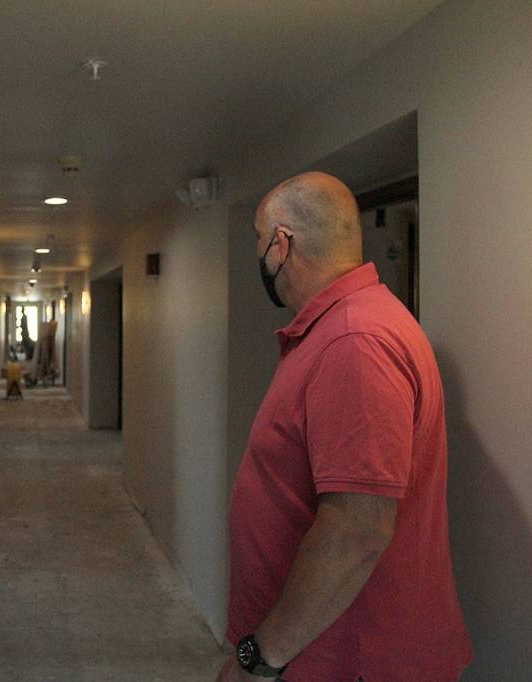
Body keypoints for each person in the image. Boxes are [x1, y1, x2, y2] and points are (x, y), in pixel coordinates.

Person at [217, 173, 472, 681]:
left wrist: (259, 660)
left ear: (281, 245)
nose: (258, 256)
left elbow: (358, 529)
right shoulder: (343, 328)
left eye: (257, 239)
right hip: (326, 651)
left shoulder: (354, 341)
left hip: (347, 659)